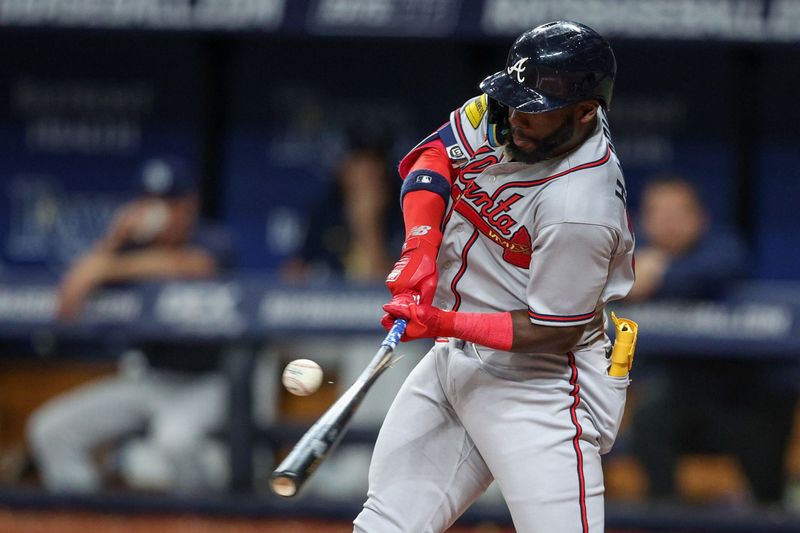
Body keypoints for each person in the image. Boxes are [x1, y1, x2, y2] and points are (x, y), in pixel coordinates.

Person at [354, 21, 635, 532]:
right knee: (386, 524)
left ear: (586, 112)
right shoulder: (508, 113)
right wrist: (420, 244)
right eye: (513, 100)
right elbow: (435, 154)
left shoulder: (581, 207)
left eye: (535, 110)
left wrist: (441, 322)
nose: (515, 116)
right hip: (457, 360)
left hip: (543, 382)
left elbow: (554, 329)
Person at [27, 157, 234, 494]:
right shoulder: (128, 247)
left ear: (189, 205)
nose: (160, 211)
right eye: (151, 201)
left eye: (169, 203)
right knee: (50, 430)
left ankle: (203, 523)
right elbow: (68, 299)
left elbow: (193, 266)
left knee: (174, 440)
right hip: (151, 379)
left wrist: (110, 268)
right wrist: (114, 238)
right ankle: (88, 521)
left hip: (211, 382)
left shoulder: (213, 238)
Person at [628, 177, 794, 506]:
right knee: (648, 413)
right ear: (644, 222)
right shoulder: (632, 259)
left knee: (769, 412)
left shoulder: (724, 246)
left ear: (700, 217)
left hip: (741, 399)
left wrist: (659, 276)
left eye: (677, 213)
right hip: (680, 401)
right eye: (658, 214)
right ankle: (662, 513)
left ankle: (768, 509)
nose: (668, 223)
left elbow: (720, 268)